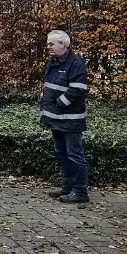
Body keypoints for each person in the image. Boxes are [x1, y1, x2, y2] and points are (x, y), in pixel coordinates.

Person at [40, 30, 90, 203]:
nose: (48, 47)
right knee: (62, 153)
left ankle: (80, 191)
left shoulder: (76, 64)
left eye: (51, 44)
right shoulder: (54, 62)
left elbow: (78, 89)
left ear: (64, 45)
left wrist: (59, 102)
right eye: (48, 43)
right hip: (56, 118)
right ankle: (67, 187)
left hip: (70, 119)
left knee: (74, 154)